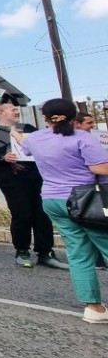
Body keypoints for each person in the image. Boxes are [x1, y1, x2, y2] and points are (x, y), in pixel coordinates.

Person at [19, 99, 108, 323]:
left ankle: (93, 308)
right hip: (86, 199)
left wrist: (15, 133)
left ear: (45, 117)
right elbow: (100, 167)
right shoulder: (82, 138)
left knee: (78, 252)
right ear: (73, 116)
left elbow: (25, 144)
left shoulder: (36, 138)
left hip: (52, 199)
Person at [0, 103, 68, 269]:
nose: (17, 111)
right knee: (22, 215)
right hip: (12, 181)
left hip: (37, 177)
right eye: (13, 109)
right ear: (2, 113)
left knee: (42, 215)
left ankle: (46, 253)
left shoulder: (28, 128)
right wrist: (2, 157)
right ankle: (22, 251)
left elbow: (42, 147)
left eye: (17, 109)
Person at [72, 113, 106, 270]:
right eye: (89, 123)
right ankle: (98, 259)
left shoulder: (93, 138)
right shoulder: (79, 141)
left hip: (101, 186)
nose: (93, 125)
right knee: (96, 224)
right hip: (91, 190)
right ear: (77, 124)